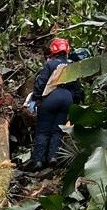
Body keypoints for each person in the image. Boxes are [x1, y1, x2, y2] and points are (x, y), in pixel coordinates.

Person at [26, 37, 84, 172]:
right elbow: (78, 90)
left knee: (43, 130)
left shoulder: (50, 64)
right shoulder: (72, 65)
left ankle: (39, 161)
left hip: (52, 97)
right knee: (58, 130)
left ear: (53, 50)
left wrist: (36, 98)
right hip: (67, 99)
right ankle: (53, 157)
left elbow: (41, 82)